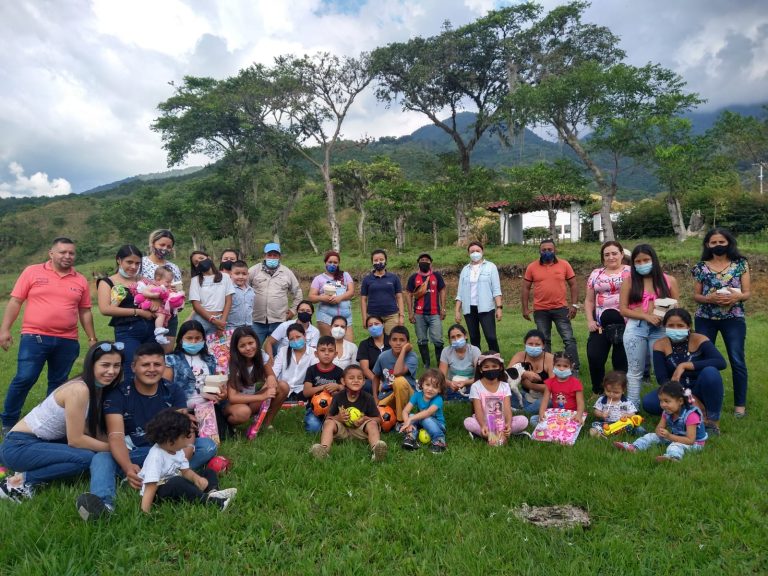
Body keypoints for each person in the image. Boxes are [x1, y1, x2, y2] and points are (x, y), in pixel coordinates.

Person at [75, 342, 217, 521]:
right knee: (102, 457)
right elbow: (116, 436)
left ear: (164, 366)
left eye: (157, 364)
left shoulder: (172, 390)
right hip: (134, 452)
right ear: (134, 367)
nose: (152, 369)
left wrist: (180, 461)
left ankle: (162, 474)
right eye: (145, 365)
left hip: (168, 450)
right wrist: (127, 466)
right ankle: (105, 505)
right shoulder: (119, 392)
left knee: (207, 446)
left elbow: (185, 431)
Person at [0, 341, 123, 502]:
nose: (111, 371)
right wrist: (114, 449)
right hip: (19, 446)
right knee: (85, 458)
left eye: (117, 365)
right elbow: (76, 440)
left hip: (36, 444)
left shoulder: (96, 387)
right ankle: (18, 482)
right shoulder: (79, 389)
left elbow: (88, 429)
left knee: (92, 451)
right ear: (91, 364)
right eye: (105, 365)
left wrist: (118, 444)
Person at [0, 237, 97, 434]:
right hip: (35, 337)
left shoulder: (79, 280)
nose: (67, 256)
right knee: (25, 378)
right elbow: (16, 301)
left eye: (71, 253)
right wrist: (5, 330)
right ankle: (8, 421)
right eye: (62, 252)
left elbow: (85, 311)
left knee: (58, 382)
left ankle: (46, 422)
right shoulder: (32, 271)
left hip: (68, 341)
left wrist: (92, 337)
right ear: (51, 253)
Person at [692, 228, 750, 417]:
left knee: (737, 359)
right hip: (705, 318)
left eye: (721, 242)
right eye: (714, 242)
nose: (718, 245)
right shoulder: (701, 267)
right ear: (708, 245)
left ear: (729, 242)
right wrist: (709, 299)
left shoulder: (741, 264)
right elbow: (696, 296)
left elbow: (747, 293)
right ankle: (698, 401)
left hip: (733, 318)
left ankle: (739, 405)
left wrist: (736, 298)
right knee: (701, 359)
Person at [645, 308, 726, 435]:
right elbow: (662, 379)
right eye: (671, 325)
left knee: (711, 372)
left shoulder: (700, 339)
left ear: (688, 326)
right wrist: (686, 395)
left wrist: (685, 365)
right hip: (676, 390)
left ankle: (712, 421)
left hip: (700, 387)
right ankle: (684, 412)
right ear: (665, 326)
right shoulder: (660, 344)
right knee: (649, 402)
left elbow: (720, 362)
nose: (676, 329)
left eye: (680, 325)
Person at [138, 409, 236, 513]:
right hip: (158, 493)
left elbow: (185, 471)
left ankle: (213, 492)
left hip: (176, 483)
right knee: (177, 482)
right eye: (184, 437)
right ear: (171, 441)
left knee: (208, 472)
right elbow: (150, 487)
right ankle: (210, 502)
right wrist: (146, 512)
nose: (188, 441)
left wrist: (196, 478)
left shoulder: (177, 450)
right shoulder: (156, 457)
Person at [619, 244, 680, 405]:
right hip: (636, 328)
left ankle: (670, 404)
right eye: (638, 261)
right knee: (635, 370)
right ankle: (632, 406)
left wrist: (664, 316)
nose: (642, 264)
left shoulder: (669, 280)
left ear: (653, 260)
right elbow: (623, 309)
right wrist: (645, 316)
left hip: (660, 330)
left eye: (646, 260)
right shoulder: (629, 281)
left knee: (663, 368)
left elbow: (676, 307)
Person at [96, 245, 157, 386]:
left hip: (151, 330)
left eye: (137, 263)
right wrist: (138, 312)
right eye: (129, 262)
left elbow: (161, 294)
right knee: (131, 368)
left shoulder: (144, 281)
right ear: (119, 260)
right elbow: (105, 309)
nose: (134, 266)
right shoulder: (107, 282)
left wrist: (159, 298)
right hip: (127, 332)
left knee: (152, 368)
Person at [521, 239, 580, 372]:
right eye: (544, 250)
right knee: (544, 340)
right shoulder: (532, 267)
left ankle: (573, 366)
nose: (547, 252)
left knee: (568, 339)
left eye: (550, 249)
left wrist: (574, 305)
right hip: (540, 310)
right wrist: (524, 308)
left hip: (561, 309)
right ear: (539, 251)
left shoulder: (564, 265)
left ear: (555, 250)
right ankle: (546, 367)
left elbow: (573, 284)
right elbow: (525, 288)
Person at [614, 381, 707, 462]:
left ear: (680, 401)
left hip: (694, 444)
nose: (663, 405)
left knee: (675, 445)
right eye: (661, 401)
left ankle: (673, 457)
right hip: (676, 437)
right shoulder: (667, 412)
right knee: (651, 436)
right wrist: (660, 432)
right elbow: (659, 428)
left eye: (667, 401)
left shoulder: (691, 415)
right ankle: (634, 447)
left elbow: (690, 440)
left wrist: (669, 436)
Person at [310, 364, 388, 462]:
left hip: (360, 432)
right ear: (343, 381)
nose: (356, 380)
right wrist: (339, 418)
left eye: (359, 378)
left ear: (364, 382)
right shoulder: (338, 396)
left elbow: (379, 419)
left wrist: (365, 419)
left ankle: (376, 450)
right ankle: (324, 450)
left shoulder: (368, 398)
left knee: (372, 423)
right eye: (351, 378)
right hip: (342, 431)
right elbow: (328, 418)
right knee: (328, 423)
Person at [584, 241, 631, 394]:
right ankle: (598, 390)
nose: (611, 257)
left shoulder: (631, 272)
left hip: (626, 324)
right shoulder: (596, 274)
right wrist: (590, 320)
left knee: (621, 361)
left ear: (622, 255)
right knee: (595, 356)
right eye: (607, 254)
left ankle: (620, 392)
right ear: (603, 257)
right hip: (600, 325)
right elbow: (589, 300)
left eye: (614, 253)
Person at [222, 326, 285, 433]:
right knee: (243, 412)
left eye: (251, 343)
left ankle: (266, 424)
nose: (248, 348)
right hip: (231, 405)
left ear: (256, 341)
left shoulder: (261, 356)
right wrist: (262, 396)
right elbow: (233, 397)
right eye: (242, 345)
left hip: (251, 400)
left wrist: (270, 379)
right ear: (236, 348)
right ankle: (228, 426)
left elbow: (271, 376)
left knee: (283, 386)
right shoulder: (233, 364)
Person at [248, 242, 303, 349]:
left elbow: (298, 293)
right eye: (269, 255)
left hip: (279, 321)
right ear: (264, 256)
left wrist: (293, 311)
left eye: (275, 255)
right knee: (253, 351)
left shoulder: (287, 272)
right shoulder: (254, 271)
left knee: (279, 352)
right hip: (256, 321)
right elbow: (243, 288)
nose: (272, 257)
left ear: (279, 257)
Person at [463, 352, 529, 440]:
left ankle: (487, 435)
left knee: (523, 420)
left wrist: (508, 424)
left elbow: (507, 409)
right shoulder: (476, 386)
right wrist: (483, 426)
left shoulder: (504, 386)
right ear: (481, 369)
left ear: (500, 368)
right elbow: (477, 410)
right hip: (484, 422)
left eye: (494, 366)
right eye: (486, 367)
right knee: (468, 422)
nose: (490, 369)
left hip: (502, 422)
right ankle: (489, 433)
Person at [163, 321, 222, 411]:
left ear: (203, 340)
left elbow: (217, 385)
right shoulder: (171, 360)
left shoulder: (210, 360)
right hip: (181, 410)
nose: (194, 342)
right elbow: (166, 388)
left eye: (198, 338)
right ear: (181, 340)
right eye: (189, 338)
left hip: (208, 408)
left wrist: (220, 394)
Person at [455, 241, 502, 353]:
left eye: (477, 251)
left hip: (486, 308)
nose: (475, 253)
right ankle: (477, 362)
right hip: (469, 309)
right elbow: (460, 292)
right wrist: (457, 310)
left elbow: (496, 289)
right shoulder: (465, 269)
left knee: (491, 337)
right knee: (474, 339)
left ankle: (496, 360)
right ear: (468, 253)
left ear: (482, 251)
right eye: (472, 251)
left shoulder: (491, 267)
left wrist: (499, 307)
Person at [141, 229, 183, 350]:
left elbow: (180, 291)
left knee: (166, 354)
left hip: (170, 318)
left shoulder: (173, 267)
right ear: (152, 244)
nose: (165, 248)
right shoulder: (141, 263)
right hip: (147, 315)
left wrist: (177, 295)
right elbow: (136, 287)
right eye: (162, 245)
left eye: (169, 246)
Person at [405, 253, 446, 369]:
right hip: (419, 314)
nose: (424, 261)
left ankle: (439, 363)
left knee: (438, 340)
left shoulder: (436, 276)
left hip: (435, 313)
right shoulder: (413, 277)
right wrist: (410, 312)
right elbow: (408, 294)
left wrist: (443, 308)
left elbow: (442, 290)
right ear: (418, 263)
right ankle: (426, 363)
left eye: (427, 260)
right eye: (422, 260)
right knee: (422, 340)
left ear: (431, 263)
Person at [372, 325, 418, 426]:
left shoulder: (412, 356)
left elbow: (397, 372)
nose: (398, 343)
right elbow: (376, 376)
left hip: (407, 395)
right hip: (388, 394)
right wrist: (375, 397)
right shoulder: (383, 356)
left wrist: (403, 351)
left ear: (408, 343)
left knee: (399, 380)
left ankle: (401, 420)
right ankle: (394, 412)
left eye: (402, 340)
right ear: (389, 341)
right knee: (377, 415)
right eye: (394, 339)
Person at [308, 250, 355, 340]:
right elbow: (311, 297)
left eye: (335, 262)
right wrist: (323, 298)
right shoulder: (318, 279)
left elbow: (351, 292)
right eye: (330, 262)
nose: (332, 264)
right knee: (329, 344)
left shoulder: (345, 275)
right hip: (326, 317)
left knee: (349, 345)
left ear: (338, 263)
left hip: (345, 317)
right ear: (325, 262)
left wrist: (340, 298)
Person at [133, 265, 184, 345]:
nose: (170, 284)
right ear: (157, 279)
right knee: (161, 316)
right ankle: (159, 331)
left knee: (163, 316)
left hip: (161, 308)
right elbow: (145, 292)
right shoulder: (152, 285)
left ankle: (161, 332)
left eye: (171, 282)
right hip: (150, 305)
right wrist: (153, 296)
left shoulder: (165, 288)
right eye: (168, 282)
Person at [303, 336, 345, 433]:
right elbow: (306, 392)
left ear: (335, 354)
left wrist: (338, 387)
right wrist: (324, 387)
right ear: (316, 354)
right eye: (322, 350)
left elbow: (346, 390)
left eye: (330, 351)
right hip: (314, 410)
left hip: (334, 410)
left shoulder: (339, 371)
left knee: (341, 425)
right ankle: (321, 425)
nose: (326, 353)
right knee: (314, 428)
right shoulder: (311, 370)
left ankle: (329, 424)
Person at [507, 329, 554, 415]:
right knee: (506, 393)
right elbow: (505, 378)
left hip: (545, 396)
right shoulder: (519, 356)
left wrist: (530, 385)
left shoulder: (550, 359)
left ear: (543, 345)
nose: (533, 347)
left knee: (550, 401)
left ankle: (523, 412)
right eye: (530, 344)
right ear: (525, 344)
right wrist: (524, 374)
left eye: (537, 344)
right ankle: (530, 408)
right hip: (525, 395)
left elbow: (554, 386)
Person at [401, 369, 447, 453]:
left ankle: (439, 440)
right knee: (410, 416)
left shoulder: (438, 399)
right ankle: (410, 438)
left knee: (423, 418)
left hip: (438, 426)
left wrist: (410, 420)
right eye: (427, 385)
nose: (430, 389)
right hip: (422, 421)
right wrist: (407, 423)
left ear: (440, 389)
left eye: (434, 387)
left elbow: (428, 413)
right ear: (422, 384)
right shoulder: (417, 395)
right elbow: (405, 411)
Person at [189, 251, 234, 336]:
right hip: (202, 319)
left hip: (220, 319)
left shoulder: (225, 277)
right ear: (195, 267)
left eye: (201, 258)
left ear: (209, 258)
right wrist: (213, 320)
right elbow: (196, 305)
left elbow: (228, 301)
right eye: (196, 262)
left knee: (216, 348)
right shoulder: (195, 280)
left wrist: (222, 323)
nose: (200, 262)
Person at [360, 248, 404, 334]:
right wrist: (364, 318)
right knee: (376, 341)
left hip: (392, 315)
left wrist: (401, 316)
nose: (378, 262)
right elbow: (363, 300)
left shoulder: (394, 278)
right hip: (373, 316)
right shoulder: (367, 279)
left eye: (381, 259)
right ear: (372, 262)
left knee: (391, 341)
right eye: (375, 260)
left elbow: (399, 297)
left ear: (386, 261)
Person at [273, 323, 318, 400]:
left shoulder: (313, 353)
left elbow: (313, 376)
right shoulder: (283, 351)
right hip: (283, 389)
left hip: (302, 391)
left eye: (298, 337)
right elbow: (275, 371)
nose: (295, 340)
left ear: (304, 336)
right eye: (291, 339)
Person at [538, 352, 585, 424]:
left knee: (576, 423)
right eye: (558, 365)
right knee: (534, 419)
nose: (561, 369)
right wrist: (541, 413)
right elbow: (545, 400)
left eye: (565, 366)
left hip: (572, 414)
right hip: (556, 414)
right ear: (553, 365)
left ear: (571, 367)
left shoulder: (576, 383)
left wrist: (579, 415)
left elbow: (580, 402)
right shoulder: (550, 382)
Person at [589, 371, 638, 438]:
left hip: (621, 424)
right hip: (607, 423)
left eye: (616, 392)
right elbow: (596, 411)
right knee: (595, 424)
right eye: (608, 391)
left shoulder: (627, 402)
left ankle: (608, 433)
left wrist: (627, 415)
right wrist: (601, 414)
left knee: (632, 426)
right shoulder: (602, 400)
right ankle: (606, 432)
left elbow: (633, 414)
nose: (611, 394)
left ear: (623, 391)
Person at [438, 324, 481, 401]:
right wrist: (450, 383)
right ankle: (461, 398)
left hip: (471, 384)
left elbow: (480, 376)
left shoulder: (475, 351)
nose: (456, 339)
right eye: (453, 337)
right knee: (436, 387)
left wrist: (466, 383)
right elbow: (441, 376)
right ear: (449, 340)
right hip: (452, 384)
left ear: (465, 336)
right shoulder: (446, 351)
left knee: (478, 388)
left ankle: (457, 398)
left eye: (459, 336)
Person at [356, 315, 390, 393]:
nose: (374, 327)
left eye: (376, 324)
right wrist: (378, 382)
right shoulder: (364, 344)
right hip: (373, 379)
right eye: (370, 325)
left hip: (392, 377)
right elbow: (365, 369)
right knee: (365, 385)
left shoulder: (392, 340)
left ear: (383, 324)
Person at [226, 260, 255, 330]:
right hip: (231, 327)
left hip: (248, 326)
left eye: (244, 274)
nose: (241, 276)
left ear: (248, 275)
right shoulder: (228, 290)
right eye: (237, 273)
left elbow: (251, 308)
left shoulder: (251, 290)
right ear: (231, 274)